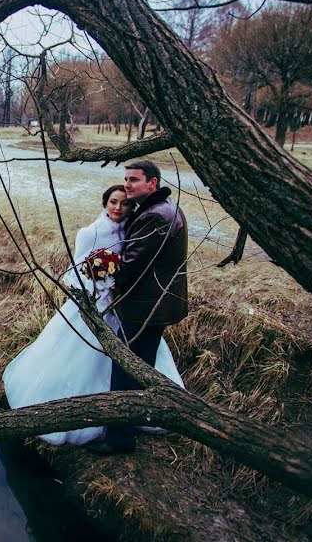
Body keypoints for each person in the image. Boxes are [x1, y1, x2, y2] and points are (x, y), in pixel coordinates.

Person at [2, 184, 184, 446]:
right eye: (113, 202)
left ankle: (130, 413)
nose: (118, 208)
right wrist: (98, 285)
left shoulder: (132, 230)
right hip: (96, 303)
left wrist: (116, 281)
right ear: (104, 203)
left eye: (124, 204)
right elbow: (75, 271)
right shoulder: (90, 233)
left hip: (123, 305)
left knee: (128, 357)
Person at [85, 160, 188, 455]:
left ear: (152, 184)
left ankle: (119, 438)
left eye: (134, 180)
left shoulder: (156, 216)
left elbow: (130, 266)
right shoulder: (160, 208)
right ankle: (139, 418)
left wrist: (102, 269)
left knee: (125, 368)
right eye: (125, 179)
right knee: (142, 366)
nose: (127, 184)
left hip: (145, 307)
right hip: (155, 304)